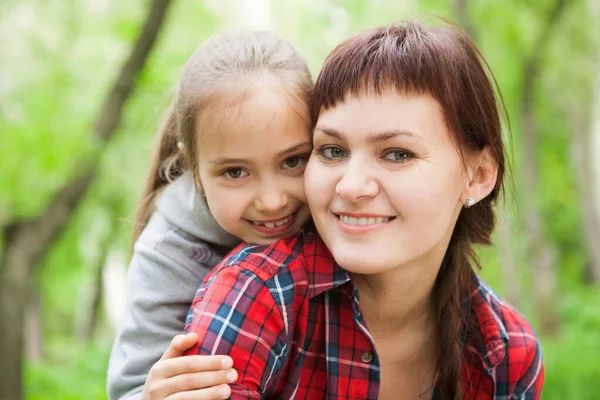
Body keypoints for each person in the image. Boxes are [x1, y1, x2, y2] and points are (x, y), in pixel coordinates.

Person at [185, 21, 544, 399]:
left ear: (479, 176)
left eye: (397, 154)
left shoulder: (505, 354)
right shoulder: (257, 294)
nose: (351, 186)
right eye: (333, 150)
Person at [106, 30, 314, 400]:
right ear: (194, 167)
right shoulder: (167, 252)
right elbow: (130, 385)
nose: (271, 201)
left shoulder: (336, 211)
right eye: (235, 172)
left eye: (293, 161)